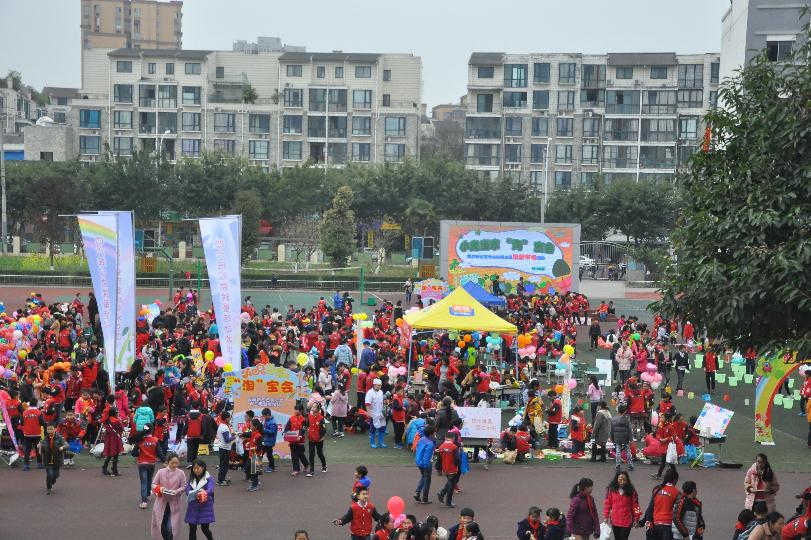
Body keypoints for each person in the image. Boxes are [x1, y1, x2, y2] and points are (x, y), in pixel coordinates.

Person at [151, 453, 186, 540]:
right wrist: (160, 488)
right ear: (168, 462)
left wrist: (177, 491)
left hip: (175, 502)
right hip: (161, 501)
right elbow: (153, 484)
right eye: (172, 463)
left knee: (171, 527)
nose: (174, 465)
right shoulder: (161, 472)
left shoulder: (181, 473)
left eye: (176, 463)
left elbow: (184, 486)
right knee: (161, 525)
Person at [642, 467, 680, 540]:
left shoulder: (656, 489)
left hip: (656, 523)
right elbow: (678, 512)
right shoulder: (677, 493)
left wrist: (644, 522)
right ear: (675, 480)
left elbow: (650, 508)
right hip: (668, 525)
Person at [134, 424, 165, 508]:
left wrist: (139, 453)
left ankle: (144, 501)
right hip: (151, 463)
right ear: (152, 430)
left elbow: (133, 453)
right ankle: (147, 493)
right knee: (149, 479)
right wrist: (165, 460)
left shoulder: (139, 440)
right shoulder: (155, 440)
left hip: (141, 463)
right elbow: (160, 453)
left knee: (143, 481)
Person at [603, 470, 640, 540]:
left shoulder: (632, 491)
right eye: (620, 480)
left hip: (627, 521)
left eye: (624, 480)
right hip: (615, 521)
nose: (622, 482)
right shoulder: (611, 490)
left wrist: (636, 519)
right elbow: (607, 504)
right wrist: (606, 517)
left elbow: (636, 506)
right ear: (616, 479)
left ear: (627, 480)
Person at [185, 459, 216, 540]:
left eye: (198, 468)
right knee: (192, 529)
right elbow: (187, 489)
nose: (196, 470)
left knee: (204, 528)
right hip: (193, 506)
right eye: (194, 469)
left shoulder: (209, 478)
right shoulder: (191, 478)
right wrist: (191, 493)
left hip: (205, 506)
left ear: (203, 467)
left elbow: (211, 489)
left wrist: (204, 492)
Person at [39, 423, 69, 495]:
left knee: (56, 475)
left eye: (51, 429)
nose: (50, 431)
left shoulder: (59, 438)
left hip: (57, 460)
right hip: (47, 460)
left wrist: (62, 447)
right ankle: (48, 488)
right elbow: (41, 450)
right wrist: (40, 446)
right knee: (50, 474)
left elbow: (66, 445)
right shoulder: (44, 439)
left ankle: (52, 482)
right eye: (48, 429)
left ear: (54, 429)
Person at [436, 432, 461, 508]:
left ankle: (442, 493)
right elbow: (457, 459)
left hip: (445, 468)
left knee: (450, 482)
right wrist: (456, 465)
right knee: (451, 485)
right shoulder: (454, 447)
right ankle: (448, 502)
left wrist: (439, 468)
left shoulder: (441, 447)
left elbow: (439, 459)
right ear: (453, 438)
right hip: (452, 468)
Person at [285, 404, 309, 476]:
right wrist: (286, 433)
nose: (295, 411)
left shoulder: (304, 419)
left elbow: (303, 429)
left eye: (297, 410)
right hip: (292, 440)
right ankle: (296, 469)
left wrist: (300, 436)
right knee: (294, 455)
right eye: (295, 409)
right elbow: (287, 427)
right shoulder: (291, 418)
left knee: (301, 454)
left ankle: (306, 464)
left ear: (301, 410)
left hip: (300, 441)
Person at [414, 424, 435, 504]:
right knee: (427, 480)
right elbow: (426, 457)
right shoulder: (430, 443)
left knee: (423, 477)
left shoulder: (421, 439)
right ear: (431, 434)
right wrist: (427, 465)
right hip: (426, 464)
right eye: (434, 433)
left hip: (419, 462)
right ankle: (425, 498)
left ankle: (417, 492)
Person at [21, 398, 44, 470]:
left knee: (27, 450)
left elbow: (21, 423)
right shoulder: (39, 412)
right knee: (38, 449)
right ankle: (39, 464)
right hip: (37, 434)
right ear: (36, 403)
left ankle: (26, 465)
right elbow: (42, 423)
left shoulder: (24, 412)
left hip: (27, 434)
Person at [306, 402, 327, 476]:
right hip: (311, 439)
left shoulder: (321, 418)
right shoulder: (309, 416)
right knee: (311, 454)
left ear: (318, 409)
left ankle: (324, 465)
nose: (312, 408)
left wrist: (319, 437)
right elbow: (307, 425)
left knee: (319, 453)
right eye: (312, 407)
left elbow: (323, 430)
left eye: (314, 407)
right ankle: (311, 470)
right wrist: (308, 430)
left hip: (319, 440)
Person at [213, 411, 234, 486]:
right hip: (225, 448)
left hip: (223, 448)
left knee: (224, 465)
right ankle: (220, 480)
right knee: (224, 465)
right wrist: (234, 437)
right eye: (229, 418)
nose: (230, 419)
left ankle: (222, 479)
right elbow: (227, 440)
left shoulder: (222, 425)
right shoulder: (224, 427)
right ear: (226, 418)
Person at [102, 406, 125, 476]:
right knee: (116, 454)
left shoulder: (107, 420)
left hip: (109, 438)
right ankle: (114, 470)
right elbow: (122, 428)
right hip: (116, 439)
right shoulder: (117, 421)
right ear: (115, 413)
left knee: (109, 454)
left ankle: (104, 468)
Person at [365, 378, 387, 449]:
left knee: (383, 427)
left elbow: (382, 401)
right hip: (373, 413)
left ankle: (381, 442)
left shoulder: (381, 392)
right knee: (373, 428)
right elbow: (367, 404)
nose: (379, 387)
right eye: (378, 385)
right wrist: (369, 414)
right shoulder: (369, 393)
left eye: (380, 385)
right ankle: (372, 443)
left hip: (381, 413)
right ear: (374, 385)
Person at [610, 404, 633, 470]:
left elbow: (612, 430)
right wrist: (631, 439)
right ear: (625, 411)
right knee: (628, 451)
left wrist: (612, 438)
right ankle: (630, 465)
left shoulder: (613, 420)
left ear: (618, 411)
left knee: (618, 451)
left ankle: (617, 465)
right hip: (626, 438)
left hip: (617, 438)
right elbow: (629, 430)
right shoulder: (627, 420)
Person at [261, 407, 278, 473]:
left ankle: (271, 467)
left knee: (269, 455)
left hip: (269, 442)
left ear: (268, 414)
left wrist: (264, 430)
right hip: (265, 441)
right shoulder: (267, 420)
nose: (264, 417)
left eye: (264, 416)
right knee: (261, 453)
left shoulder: (272, 422)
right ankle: (258, 466)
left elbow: (272, 432)